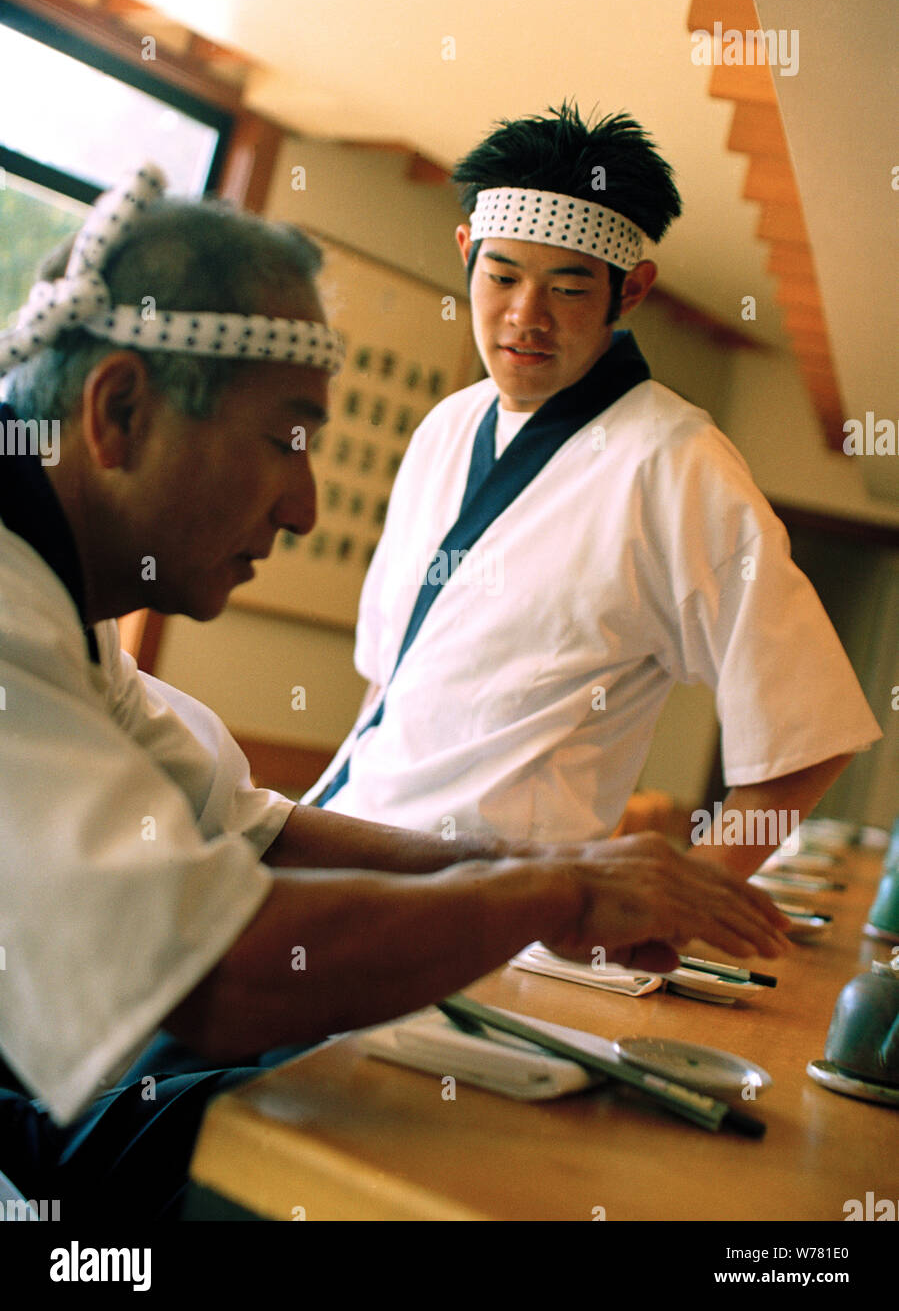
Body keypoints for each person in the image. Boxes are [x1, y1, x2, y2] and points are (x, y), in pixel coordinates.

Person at [0, 165, 789, 1217]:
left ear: (626, 295)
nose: (308, 507)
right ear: (121, 410)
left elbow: (251, 827)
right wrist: (556, 892)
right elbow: (216, 972)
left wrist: (542, 867)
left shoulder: (61, 606)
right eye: (286, 438)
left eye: (568, 288)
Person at [304, 103, 881, 879]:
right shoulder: (446, 427)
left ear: (630, 291)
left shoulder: (675, 462)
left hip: (493, 907)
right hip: (345, 845)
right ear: (465, 253)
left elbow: (808, 733)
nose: (524, 317)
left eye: (567, 290)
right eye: (501, 276)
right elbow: (391, 681)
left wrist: (690, 903)